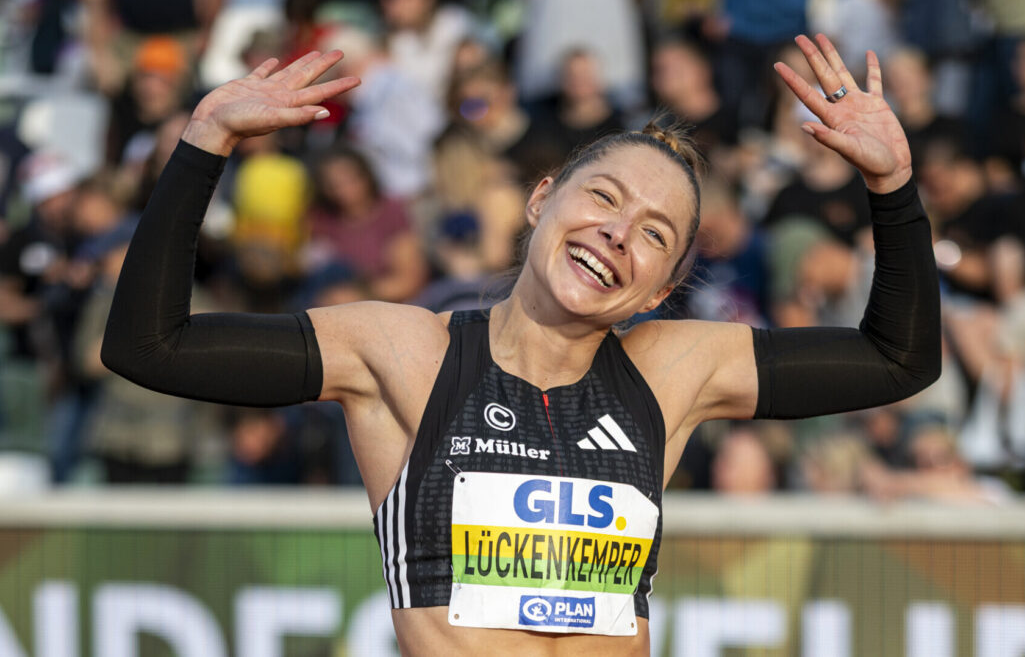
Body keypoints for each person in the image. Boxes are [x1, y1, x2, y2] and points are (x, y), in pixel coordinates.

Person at [101, 37, 940, 655]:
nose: (616, 234)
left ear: (657, 290)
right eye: (602, 197)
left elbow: (899, 358)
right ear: (541, 198)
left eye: (653, 235)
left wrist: (893, 187)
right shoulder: (404, 352)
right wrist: (204, 141)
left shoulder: (675, 369)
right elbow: (150, 345)